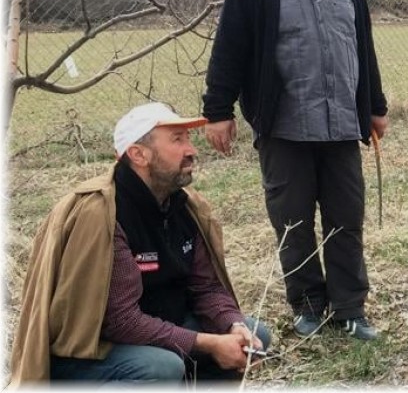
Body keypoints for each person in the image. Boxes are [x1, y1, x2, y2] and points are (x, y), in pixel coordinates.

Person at [202, 0, 389, 341]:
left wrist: (376, 106)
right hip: (285, 127)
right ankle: (308, 305)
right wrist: (217, 110)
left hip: (343, 125)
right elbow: (230, 49)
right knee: (293, 222)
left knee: (347, 219)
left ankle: (350, 309)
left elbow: (362, 48)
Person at [9, 102, 271, 384]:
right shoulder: (102, 215)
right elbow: (121, 321)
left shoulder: (184, 205)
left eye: (188, 139)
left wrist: (233, 324)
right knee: (161, 368)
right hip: (95, 353)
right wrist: (206, 343)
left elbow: (205, 286)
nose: (191, 150)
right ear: (139, 154)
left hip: (162, 328)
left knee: (255, 337)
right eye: (177, 139)